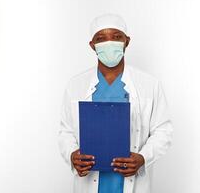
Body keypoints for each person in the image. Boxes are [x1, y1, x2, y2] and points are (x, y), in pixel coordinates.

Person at [58, 13, 173, 193]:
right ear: (92, 45)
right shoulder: (75, 85)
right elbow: (66, 131)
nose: (109, 43)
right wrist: (72, 155)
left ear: (127, 41)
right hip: (88, 182)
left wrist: (143, 158)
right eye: (101, 38)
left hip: (132, 184)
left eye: (117, 37)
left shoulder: (149, 84)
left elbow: (163, 131)